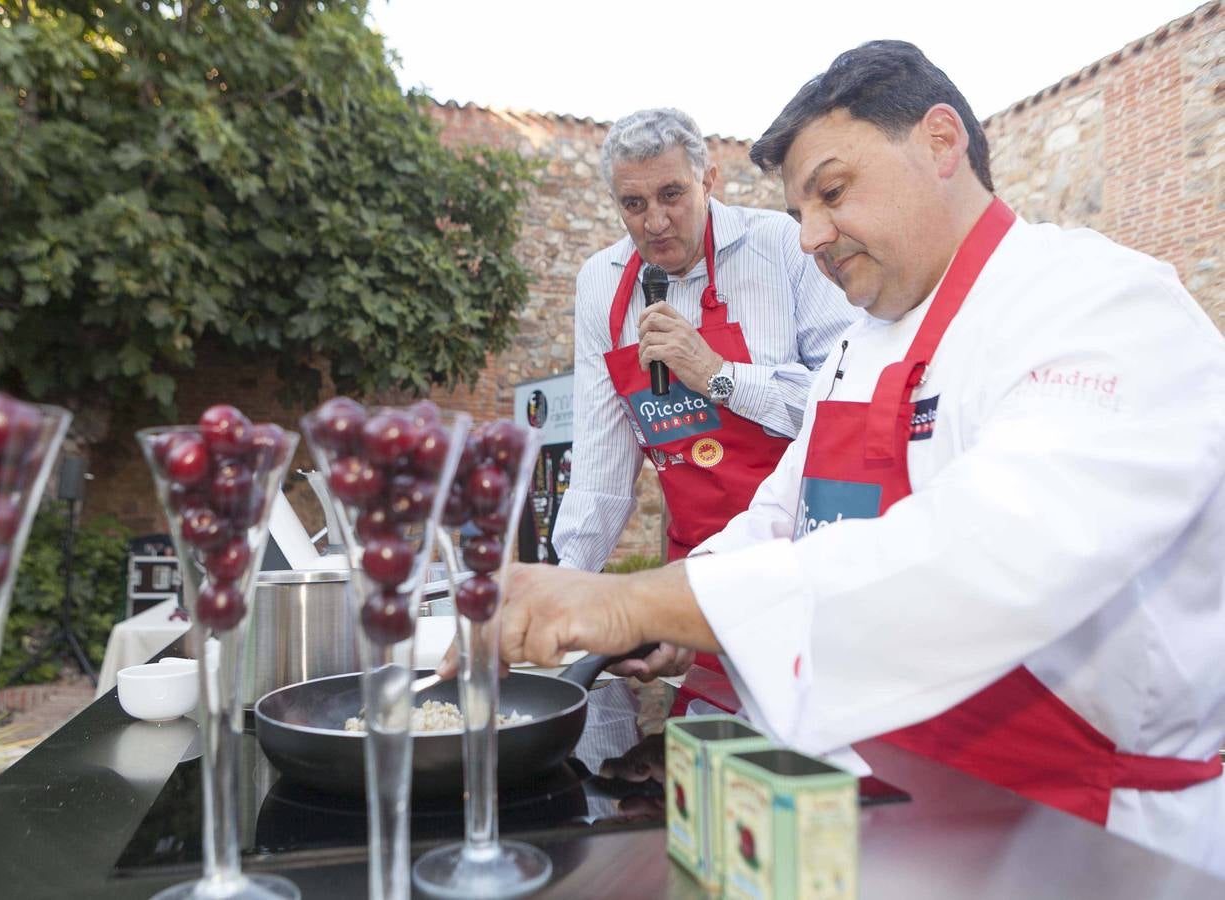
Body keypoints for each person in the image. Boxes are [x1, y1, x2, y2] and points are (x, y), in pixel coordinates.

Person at [486, 42, 1225, 873]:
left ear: (942, 144)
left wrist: (641, 604)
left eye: (831, 193)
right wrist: (671, 623)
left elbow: (980, 557)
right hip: (885, 809)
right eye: (799, 210)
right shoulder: (858, 346)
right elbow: (781, 514)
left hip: (1082, 835)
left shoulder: (1102, 306)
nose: (809, 238)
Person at [551, 107, 857, 693]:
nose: (655, 222)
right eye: (633, 204)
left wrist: (717, 375)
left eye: (672, 193)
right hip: (692, 577)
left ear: (708, 180)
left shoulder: (786, 249)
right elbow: (600, 466)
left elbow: (841, 405)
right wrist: (570, 592)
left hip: (797, 568)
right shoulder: (600, 283)